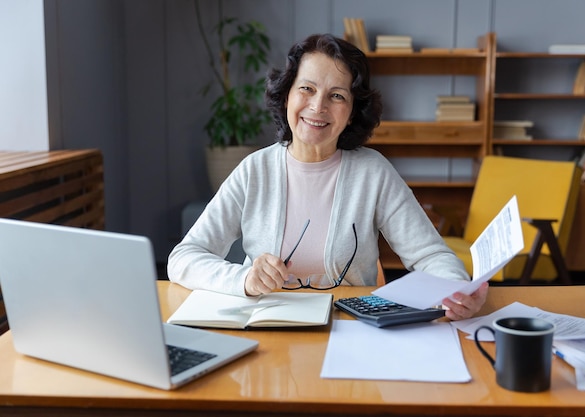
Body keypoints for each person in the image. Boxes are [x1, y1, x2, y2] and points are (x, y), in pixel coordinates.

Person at [168, 33, 488, 320]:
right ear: (286, 96)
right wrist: (244, 279)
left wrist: (457, 291)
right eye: (306, 89)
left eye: (336, 96)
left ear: (351, 113)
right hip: (267, 330)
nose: (318, 106)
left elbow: (431, 254)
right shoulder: (254, 170)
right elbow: (184, 258)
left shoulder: (373, 172)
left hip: (349, 330)